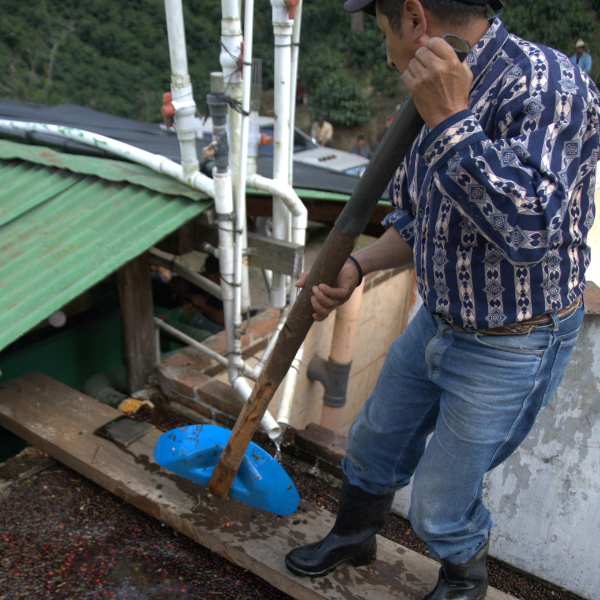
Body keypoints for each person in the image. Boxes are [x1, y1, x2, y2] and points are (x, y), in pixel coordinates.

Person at [285, 1, 600, 599]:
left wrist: (452, 120)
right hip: (440, 317)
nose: (386, 52)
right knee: (374, 442)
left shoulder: (550, 85)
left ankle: (464, 581)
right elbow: (415, 216)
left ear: (413, 17)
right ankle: (354, 536)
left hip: (513, 341)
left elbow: (528, 232)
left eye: (384, 33)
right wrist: (357, 264)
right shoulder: (425, 92)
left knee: (439, 501)